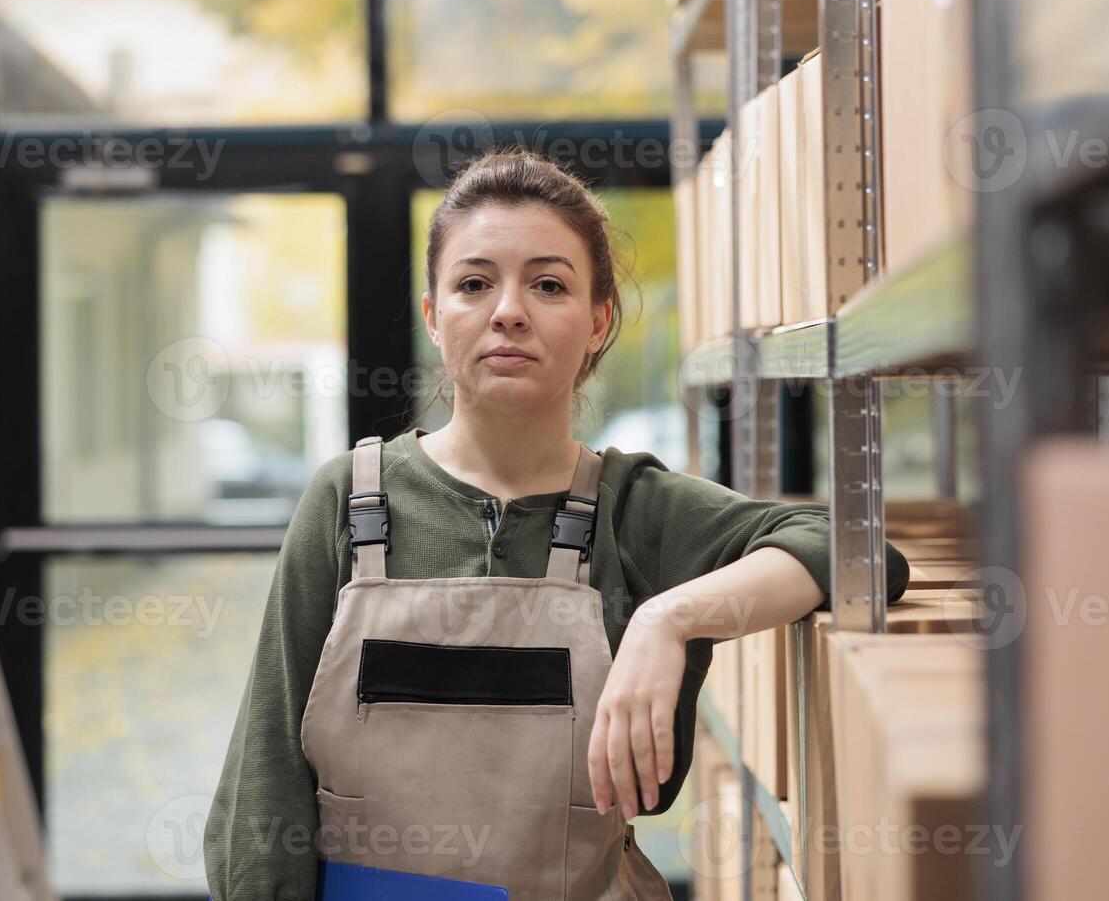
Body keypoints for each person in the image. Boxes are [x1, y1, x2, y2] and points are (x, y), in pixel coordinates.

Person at [203, 148, 910, 900]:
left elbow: (858, 550)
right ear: (434, 317)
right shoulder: (347, 501)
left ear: (599, 320)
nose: (508, 310)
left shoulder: (634, 509)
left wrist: (669, 619)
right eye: (474, 284)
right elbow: (264, 782)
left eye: (548, 284)